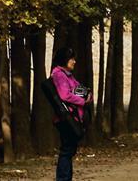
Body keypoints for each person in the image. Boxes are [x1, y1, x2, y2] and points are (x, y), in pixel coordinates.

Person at [51, 47, 91, 181]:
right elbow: (65, 95)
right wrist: (82, 101)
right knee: (67, 151)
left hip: (72, 117)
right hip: (66, 119)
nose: (74, 61)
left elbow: (78, 88)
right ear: (64, 60)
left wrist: (86, 93)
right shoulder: (59, 74)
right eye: (71, 59)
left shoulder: (67, 74)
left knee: (70, 151)